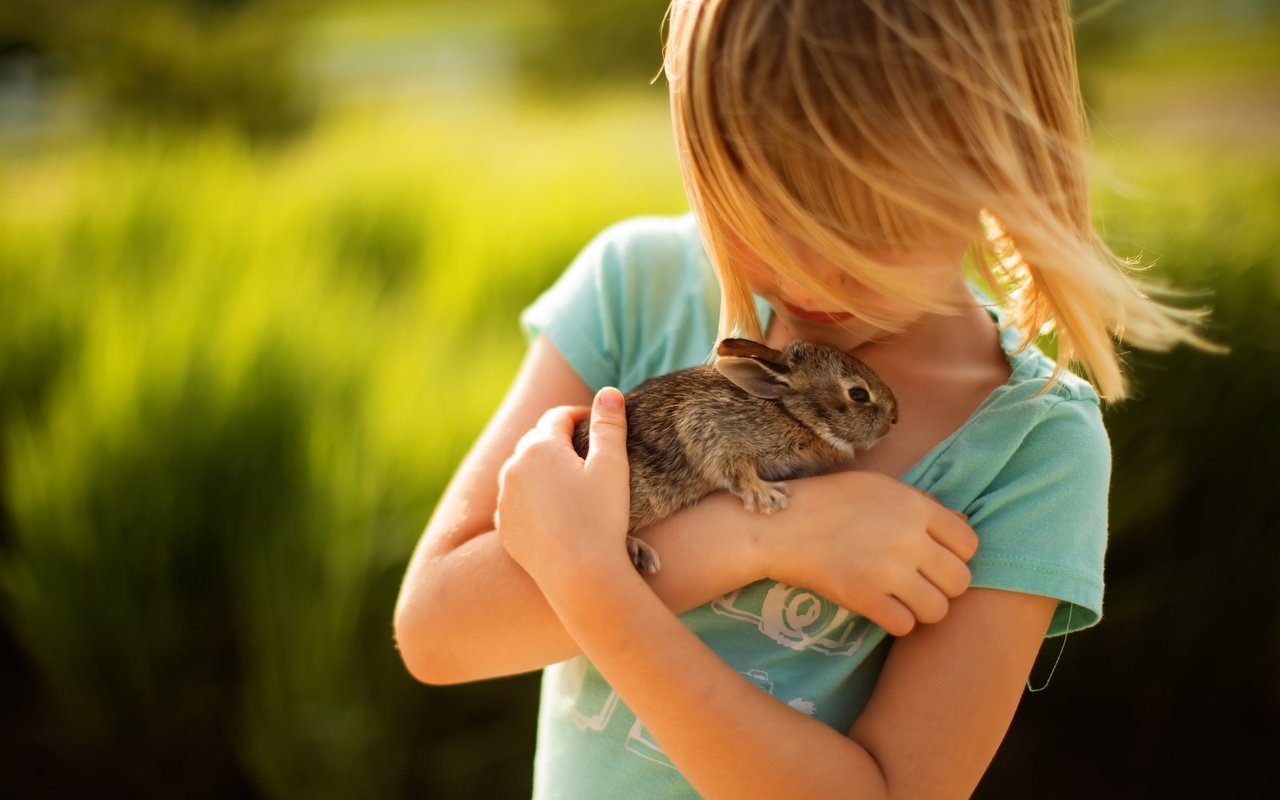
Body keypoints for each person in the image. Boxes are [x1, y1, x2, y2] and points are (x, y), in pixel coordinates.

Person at [394, 1, 1209, 796]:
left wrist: (593, 575)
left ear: (1002, 157)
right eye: (756, 210)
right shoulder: (636, 287)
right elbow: (438, 634)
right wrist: (759, 538)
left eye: (866, 227)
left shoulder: (1031, 445)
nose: (806, 270)